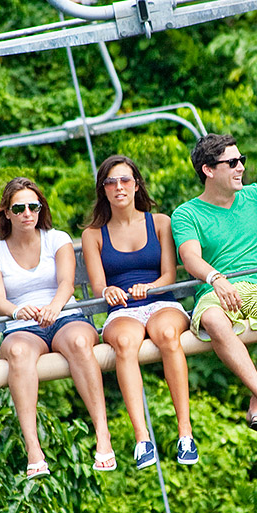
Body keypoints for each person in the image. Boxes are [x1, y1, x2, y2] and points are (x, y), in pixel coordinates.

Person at [171, 133, 257, 440]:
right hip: (216, 291)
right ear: (209, 170)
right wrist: (216, 279)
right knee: (212, 320)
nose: (241, 169)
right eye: (232, 162)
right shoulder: (186, 214)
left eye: (241, 161)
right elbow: (190, 257)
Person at [0, 177, 115, 477]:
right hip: (23, 326)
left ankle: (103, 436)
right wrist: (17, 310)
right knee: (16, 352)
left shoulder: (57, 239)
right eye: (19, 208)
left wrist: (54, 307)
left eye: (33, 206)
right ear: (6, 213)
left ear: (41, 209)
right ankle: (34, 449)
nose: (27, 213)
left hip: (64, 315)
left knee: (80, 344)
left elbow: (67, 282)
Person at [82, 155, 199, 468]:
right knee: (124, 343)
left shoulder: (159, 222)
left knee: (166, 334)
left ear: (136, 185)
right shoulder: (93, 235)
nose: (118, 187)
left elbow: (169, 276)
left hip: (160, 300)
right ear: (103, 190)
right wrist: (109, 291)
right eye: (111, 182)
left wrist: (149, 288)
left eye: (125, 180)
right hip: (123, 310)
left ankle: (185, 432)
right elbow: (98, 287)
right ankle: (141, 438)